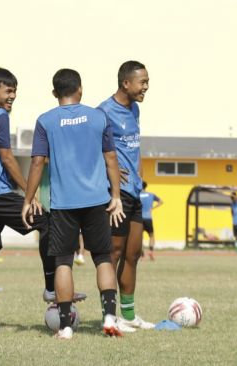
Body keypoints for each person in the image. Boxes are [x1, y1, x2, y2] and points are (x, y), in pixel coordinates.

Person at [0, 67, 85, 333]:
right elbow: (7, 158)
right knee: (47, 222)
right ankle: (49, 288)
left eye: (14, 91)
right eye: (7, 91)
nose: (12, 96)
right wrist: (28, 194)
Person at [22, 68, 126, 339]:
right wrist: (116, 196)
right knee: (103, 257)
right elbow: (111, 159)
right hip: (97, 200)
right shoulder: (98, 117)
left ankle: (66, 326)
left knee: (64, 262)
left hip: (63, 203)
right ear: (80, 89)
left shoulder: (45, 121)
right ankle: (110, 319)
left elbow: (36, 162)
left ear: (55, 93)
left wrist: (28, 198)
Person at [98, 61, 155, 332]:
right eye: (142, 82)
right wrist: (106, 170)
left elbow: (136, 146)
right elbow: (89, 148)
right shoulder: (103, 112)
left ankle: (129, 315)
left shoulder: (135, 109)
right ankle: (109, 315)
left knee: (133, 253)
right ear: (126, 83)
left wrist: (140, 176)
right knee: (114, 252)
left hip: (135, 191)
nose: (146, 87)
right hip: (115, 194)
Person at [139, 181, 163, 260]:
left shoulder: (137, 195)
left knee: (140, 238)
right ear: (146, 186)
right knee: (151, 236)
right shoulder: (151, 195)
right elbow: (161, 201)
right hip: (148, 218)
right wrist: (152, 208)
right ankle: (151, 251)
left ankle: (142, 255)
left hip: (139, 218)